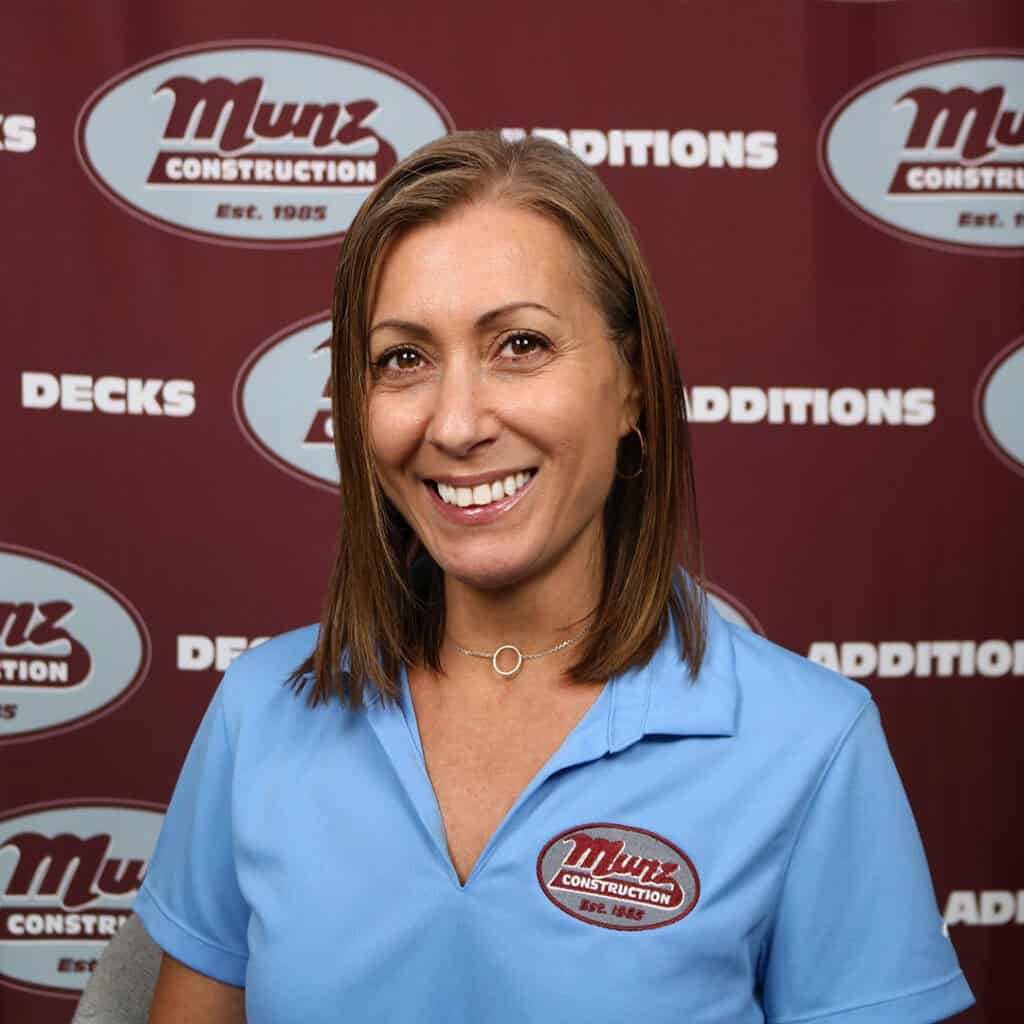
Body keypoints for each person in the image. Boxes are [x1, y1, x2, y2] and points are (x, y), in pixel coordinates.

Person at [136, 131, 974, 1023]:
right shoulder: (259, 711)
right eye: (404, 359)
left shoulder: (810, 744)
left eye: (521, 344)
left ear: (634, 387)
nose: (457, 424)